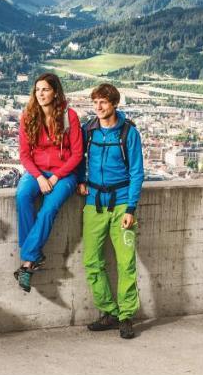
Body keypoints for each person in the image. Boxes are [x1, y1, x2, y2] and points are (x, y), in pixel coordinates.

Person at [79, 82, 145, 340]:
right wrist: (80, 180)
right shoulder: (89, 131)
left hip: (121, 204)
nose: (98, 106)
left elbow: (137, 173)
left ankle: (126, 315)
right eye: (95, 102)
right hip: (94, 202)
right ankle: (109, 311)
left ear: (114, 104)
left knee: (125, 262)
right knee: (92, 261)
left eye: (103, 102)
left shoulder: (128, 133)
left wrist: (131, 207)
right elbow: (77, 159)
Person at [14, 73, 82, 292]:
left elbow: (77, 154)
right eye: (37, 90)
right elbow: (24, 155)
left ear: (55, 92)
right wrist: (39, 176)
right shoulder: (28, 116)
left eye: (45, 89)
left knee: (48, 209)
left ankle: (27, 262)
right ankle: (32, 257)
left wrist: (55, 176)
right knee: (23, 196)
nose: (41, 94)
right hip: (37, 171)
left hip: (64, 173)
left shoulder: (69, 116)